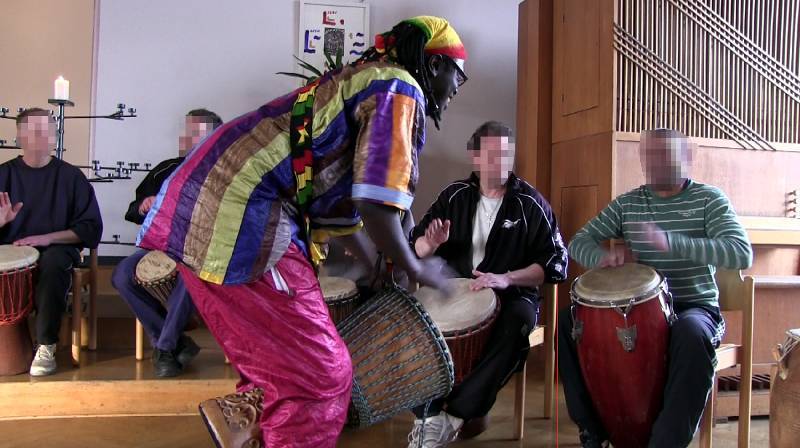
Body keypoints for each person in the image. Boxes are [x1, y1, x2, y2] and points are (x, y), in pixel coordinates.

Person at [136, 16, 468, 447]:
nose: (457, 90)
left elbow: (342, 202)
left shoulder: (357, 82)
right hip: (240, 214)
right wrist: (415, 267)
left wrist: (376, 268)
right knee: (319, 375)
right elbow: (373, 201)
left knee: (281, 369)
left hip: (202, 212)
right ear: (436, 64)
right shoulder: (398, 87)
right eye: (458, 78)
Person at [559, 128, 753, 448]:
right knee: (569, 322)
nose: (655, 163)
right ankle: (593, 430)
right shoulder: (629, 204)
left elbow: (740, 251)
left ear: (686, 158)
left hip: (692, 307)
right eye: (648, 156)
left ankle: (665, 442)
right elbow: (578, 242)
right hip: (639, 310)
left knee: (690, 334)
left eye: (664, 155)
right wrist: (603, 256)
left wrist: (672, 243)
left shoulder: (709, 200)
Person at [407, 121, 568, 447]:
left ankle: (455, 417)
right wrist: (432, 243)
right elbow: (415, 248)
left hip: (511, 294)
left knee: (518, 322)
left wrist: (507, 278)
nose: (500, 163)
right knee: (413, 318)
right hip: (454, 291)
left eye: (506, 155)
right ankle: (429, 415)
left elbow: (553, 264)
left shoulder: (530, 204)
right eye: (492, 155)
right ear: (475, 157)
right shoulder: (453, 196)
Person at [112, 109, 222, 377]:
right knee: (121, 275)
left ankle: (165, 347)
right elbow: (132, 210)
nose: (184, 138)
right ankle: (173, 343)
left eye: (193, 133)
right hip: (159, 248)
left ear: (213, 138)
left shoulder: (221, 175)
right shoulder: (165, 169)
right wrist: (142, 206)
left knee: (189, 274)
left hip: (198, 253)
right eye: (186, 131)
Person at [0, 107, 102, 376]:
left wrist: (46, 238)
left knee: (54, 263)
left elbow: (90, 228)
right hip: (11, 254)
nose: (42, 136)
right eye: (34, 130)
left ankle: (46, 345)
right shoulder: (3, 175)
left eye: (47, 130)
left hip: (56, 250)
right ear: (20, 136)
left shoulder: (71, 177)